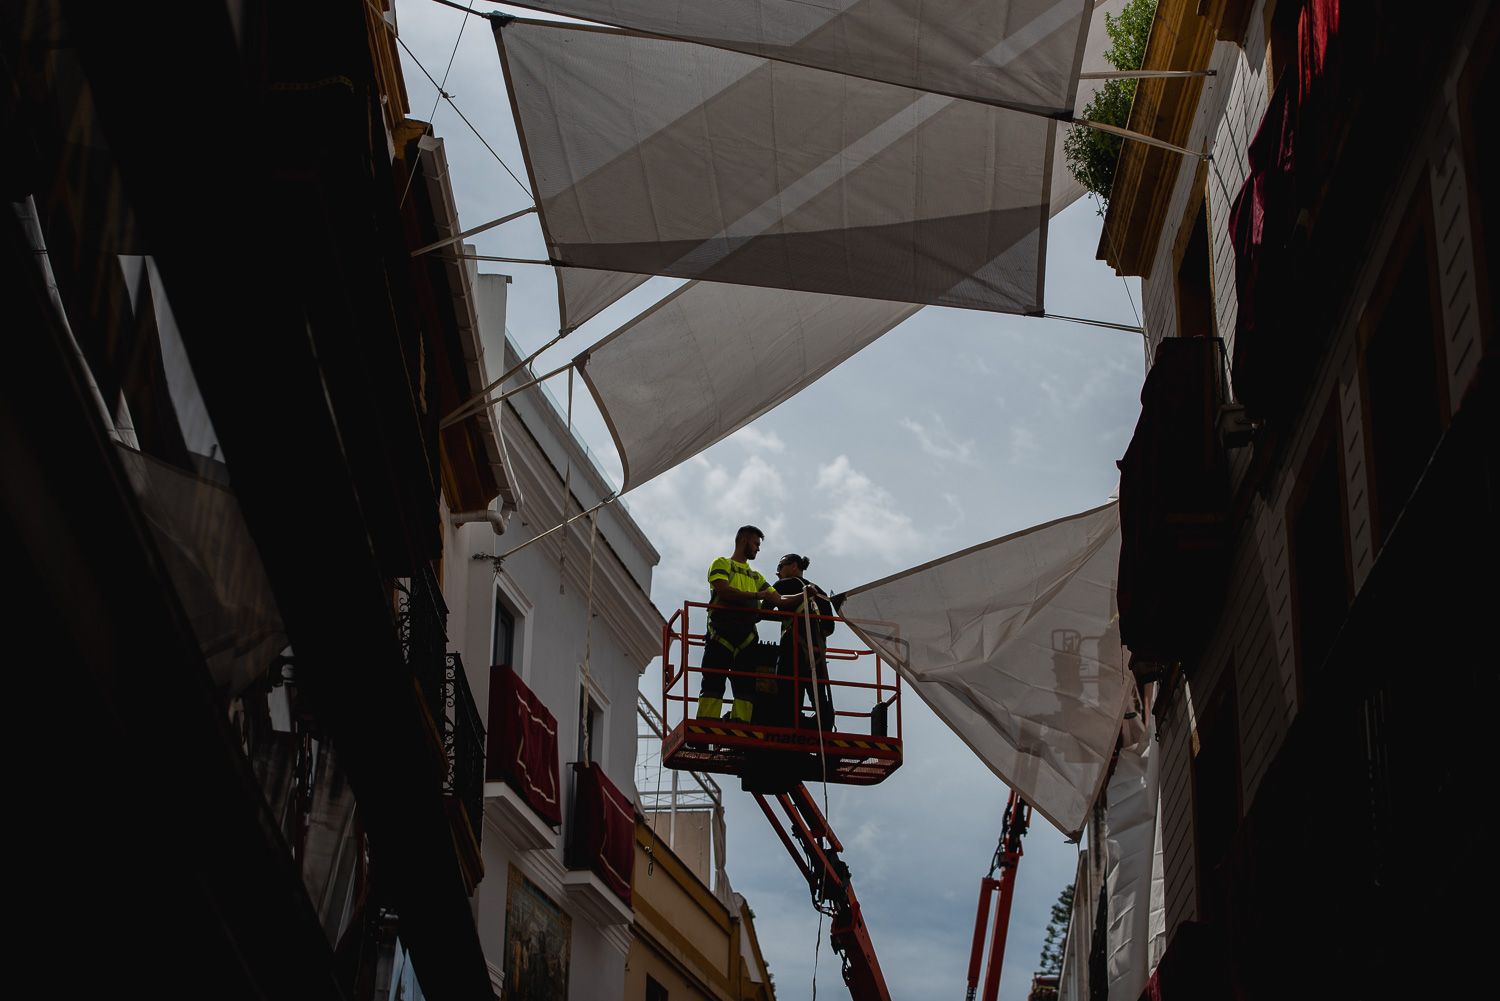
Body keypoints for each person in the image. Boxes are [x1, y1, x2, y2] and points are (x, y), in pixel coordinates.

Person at [699, 526, 797, 723]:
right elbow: (724, 591)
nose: (758, 549)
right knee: (713, 682)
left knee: (745, 686)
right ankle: (706, 724)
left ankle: (740, 724)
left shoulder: (756, 576)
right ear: (744, 540)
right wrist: (756, 596)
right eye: (756, 544)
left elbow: (780, 600)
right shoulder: (721, 564)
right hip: (721, 633)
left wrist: (804, 594)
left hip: (746, 637)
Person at [773, 553, 837, 729]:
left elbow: (763, 611)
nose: (777, 572)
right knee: (818, 693)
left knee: (788, 689)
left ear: (793, 566)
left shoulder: (783, 585)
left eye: (780, 567)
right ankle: (825, 730)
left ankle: (789, 726)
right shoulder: (821, 593)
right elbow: (830, 628)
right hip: (816, 653)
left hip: (791, 649)